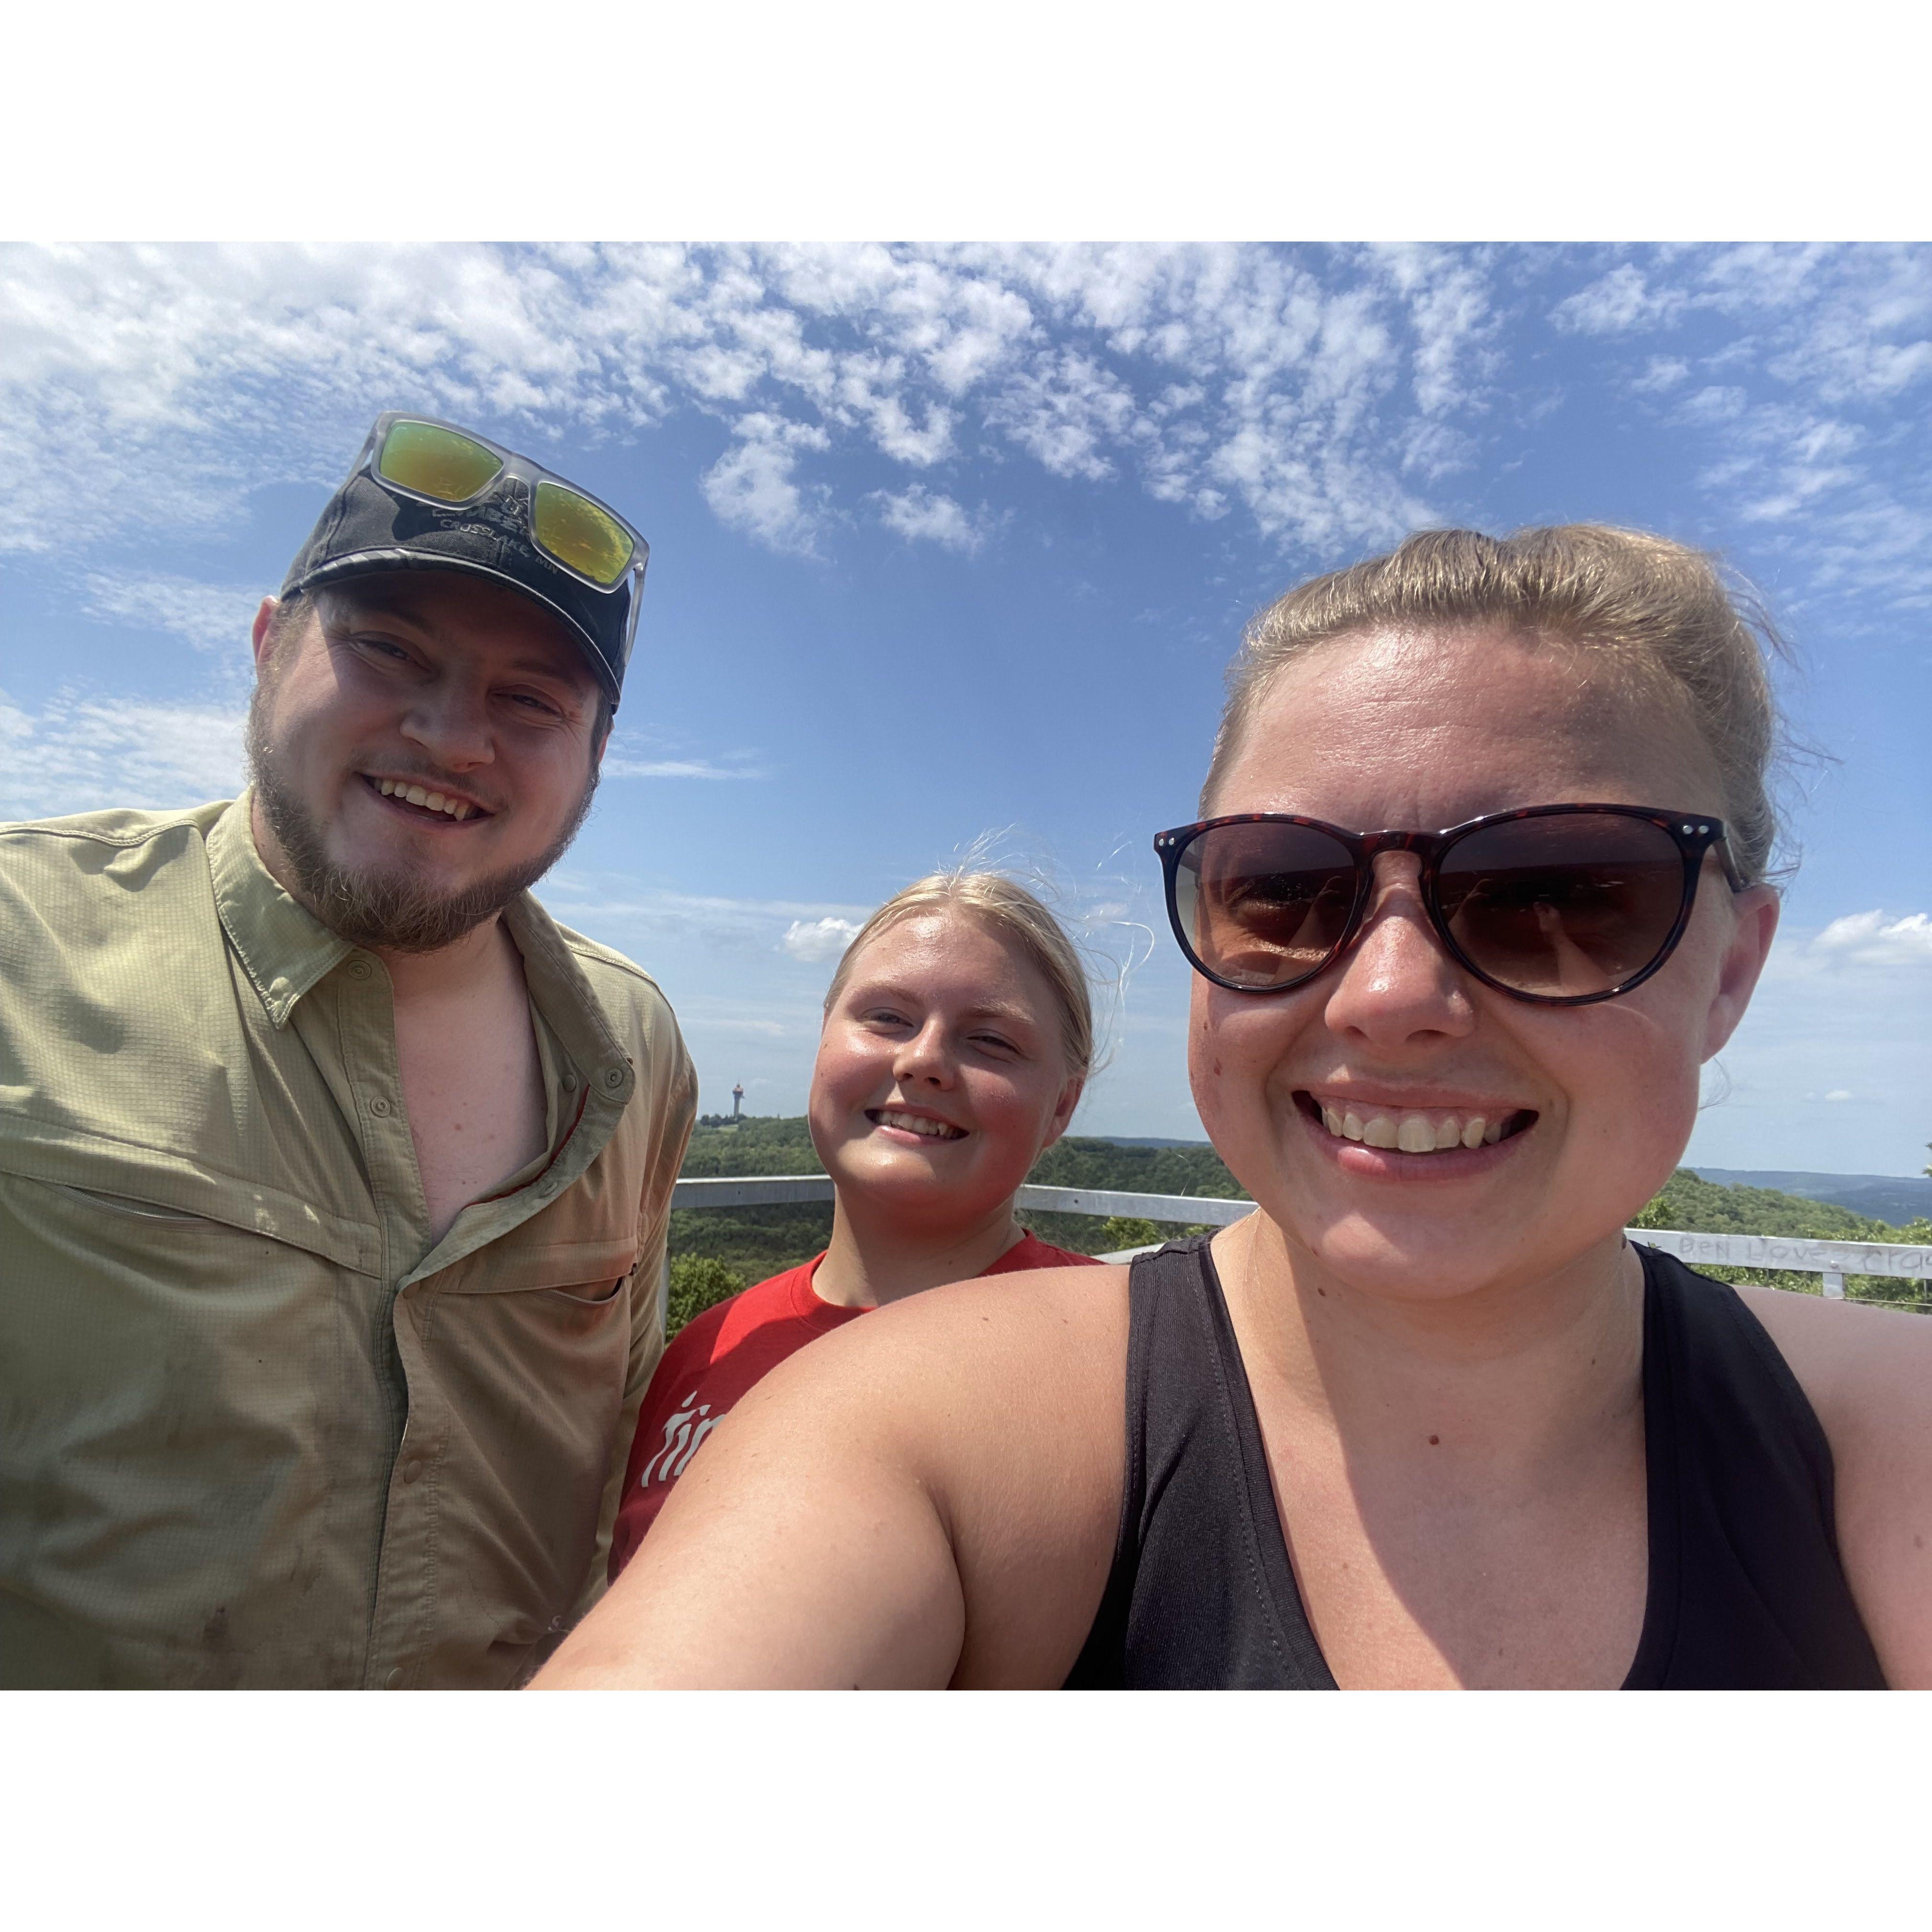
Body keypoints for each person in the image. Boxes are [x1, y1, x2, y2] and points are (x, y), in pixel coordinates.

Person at [537, 524, 1932, 1690]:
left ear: (1733, 967)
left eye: (1560, 893)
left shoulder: (1888, 1447)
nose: (1390, 991)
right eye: (1284, 888)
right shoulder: (916, 1427)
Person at [0, 413, 696, 1688]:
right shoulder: (21, 937)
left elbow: (607, 1462)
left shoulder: (632, 1048)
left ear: (597, 761)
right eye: (387, 650)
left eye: (531, 700)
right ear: (268, 652)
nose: (451, 734)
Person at [609, 872, 1101, 1576]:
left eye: (990, 1040)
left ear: (1061, 1107)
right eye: (887, 1018)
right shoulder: (707, 1349)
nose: (925, 1059)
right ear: (823, 1041)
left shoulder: (1121, 1357)